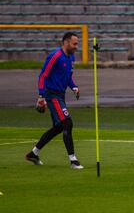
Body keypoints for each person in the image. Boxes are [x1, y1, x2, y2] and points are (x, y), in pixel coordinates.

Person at [25, 32, 83, 169]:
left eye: (77, 44)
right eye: (75, 43)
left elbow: (68, 76)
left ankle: (33, 153)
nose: (76, 46)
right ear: (66, 42)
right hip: (52, 95)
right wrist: (41, 96)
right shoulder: (54, 56)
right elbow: (43, 76)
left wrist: (74, 87)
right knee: (67, 123)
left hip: (60, 95)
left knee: (58, 127)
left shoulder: (71, 57)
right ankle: (73, 160)